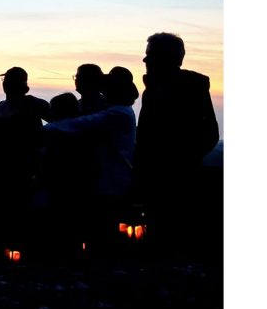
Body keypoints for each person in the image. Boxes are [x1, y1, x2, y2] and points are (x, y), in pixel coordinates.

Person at [134, 32, 219, 257]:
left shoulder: (192, 86)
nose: (145, 60)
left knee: (172, 238)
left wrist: (180, 161)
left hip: (176, 176)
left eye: (150, 55)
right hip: (153, 175)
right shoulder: (151, 88)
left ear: (170, 58)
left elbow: (209, 133)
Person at [43, 67, 139, 252]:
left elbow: (83, 125)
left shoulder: (115, 113)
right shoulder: (115, 110)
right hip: (100, 178)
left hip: (107, 179)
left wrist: (45, 130)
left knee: (102, 230)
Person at [0, 67, 49, 248]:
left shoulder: (34, 105)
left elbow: (59, 125)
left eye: (10, 81)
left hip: (26, 169)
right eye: (5, 81)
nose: (6, 85)